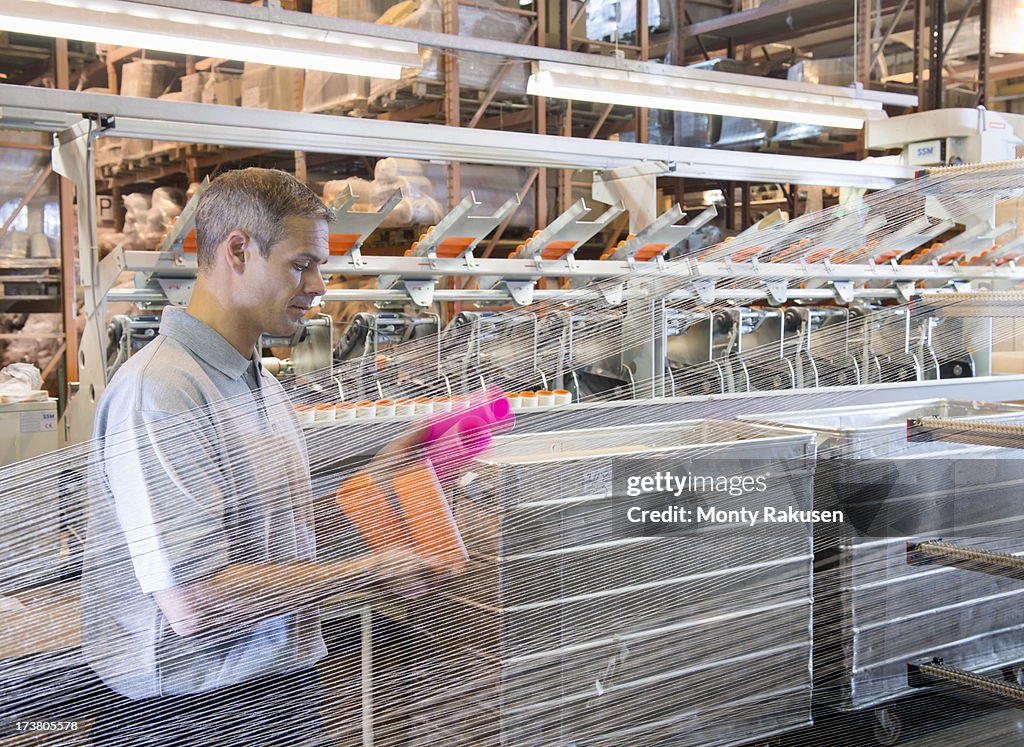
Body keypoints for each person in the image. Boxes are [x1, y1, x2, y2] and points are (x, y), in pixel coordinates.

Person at [80, 168, 437, 747]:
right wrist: (366, 572)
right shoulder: (164, 391)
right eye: (302, 265)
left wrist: (380, 477)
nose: (320, 285)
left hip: (278, 689)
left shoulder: (257, 383)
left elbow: (273, 532)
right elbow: (194, 601)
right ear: (239, 250)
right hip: (195, 712)